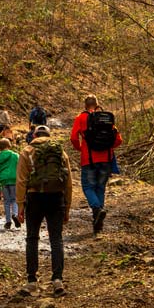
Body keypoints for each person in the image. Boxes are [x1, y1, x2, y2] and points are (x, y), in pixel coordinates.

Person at [16, 125, 72, 296]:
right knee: (56, 239)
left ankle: (32, 280)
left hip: (35, 198)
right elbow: (68, 182)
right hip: (56, 198)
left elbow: (21, 181)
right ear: (49, 136)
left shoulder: (26, 152)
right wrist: (67, 207)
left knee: (32, 238)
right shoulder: (60, 152)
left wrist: (20, 205)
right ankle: (57, 279)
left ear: (34, 135)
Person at [70, 94, 122, 235]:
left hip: (89, 159)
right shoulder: (106, 118)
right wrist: (107, 147)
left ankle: (97, 209)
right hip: (106, 159)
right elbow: (118, 139)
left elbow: (74, 138)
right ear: (97, 104)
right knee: (100, 188)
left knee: (87, 187)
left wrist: (81, 148)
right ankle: (98, 224)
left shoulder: (80, 118)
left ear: (85, 105)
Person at [0, 138, 19, 229]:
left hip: (3, 180)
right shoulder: (15, 155)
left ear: (0, 147)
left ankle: (8, 221)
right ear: (9, 145)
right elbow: (20, 167)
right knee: (14, 199)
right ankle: (15, 215)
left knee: (7, 202)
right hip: (14, 179)